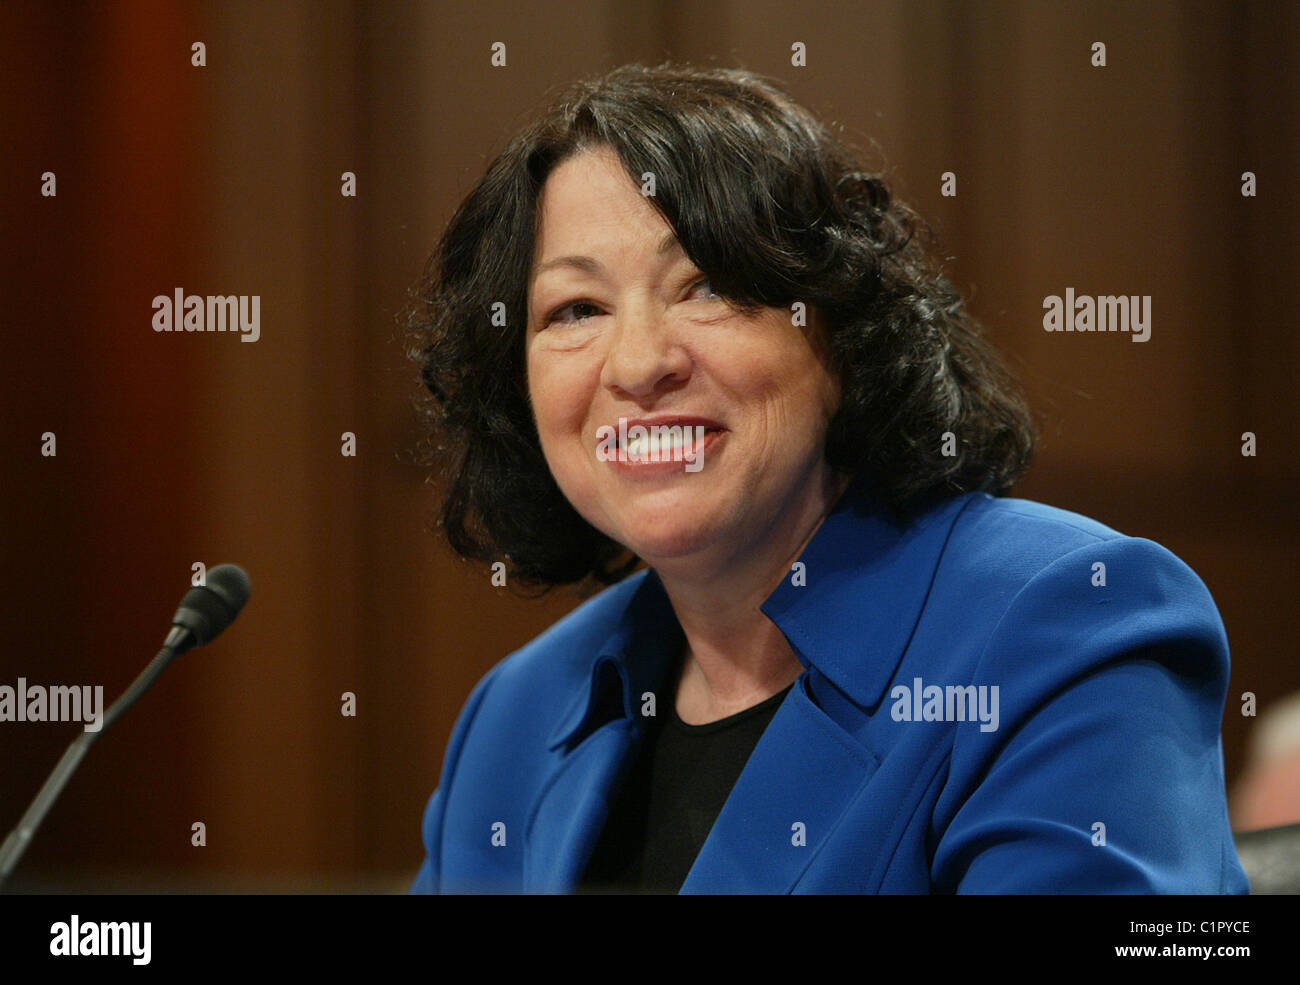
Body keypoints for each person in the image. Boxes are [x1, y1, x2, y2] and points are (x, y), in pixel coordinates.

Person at [405, 63, 1248, 893]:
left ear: (841, 331)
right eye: (576, 310)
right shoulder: (513, 719)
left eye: (708, 286)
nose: (637, 364)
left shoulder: (1067, 623)